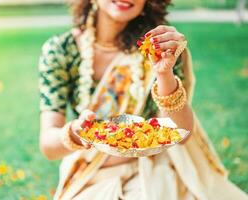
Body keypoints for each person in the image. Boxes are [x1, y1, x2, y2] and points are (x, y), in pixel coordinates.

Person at [38, 0, 248, 199]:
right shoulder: (60, 51)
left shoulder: (159, 46)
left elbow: (179, 133)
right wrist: (75, 132)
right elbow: (48, 144)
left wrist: (164, 74)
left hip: (153, 167)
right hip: (90, 172)